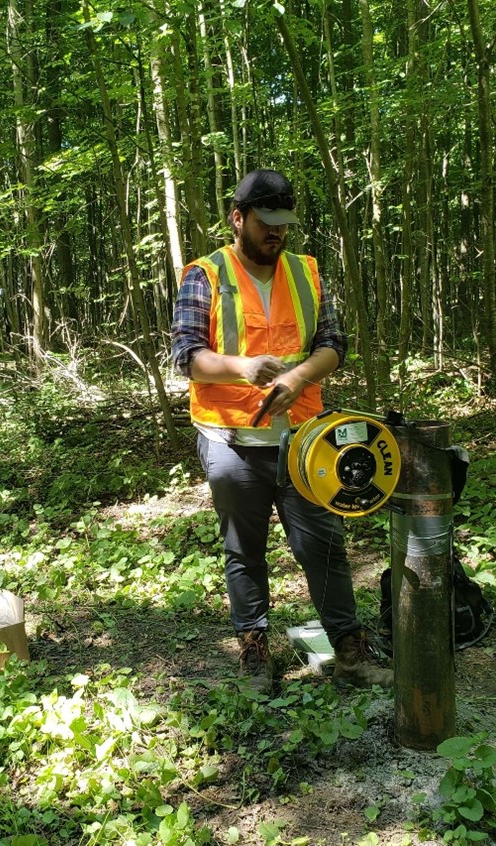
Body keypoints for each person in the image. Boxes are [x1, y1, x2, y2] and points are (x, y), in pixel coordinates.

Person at [171, 169, 392, 694]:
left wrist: (297, 377)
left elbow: (333, 344)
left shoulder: (308, 273)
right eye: (265, 222)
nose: (276, 233)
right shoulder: (205, 275)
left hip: (304, 443)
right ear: (238, 219)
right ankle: (253, 653)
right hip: (230, 441)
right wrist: (240, 368)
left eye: (283, 224)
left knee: (325, 547)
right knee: (243, 551)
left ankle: (350, 653)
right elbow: (186, 357)